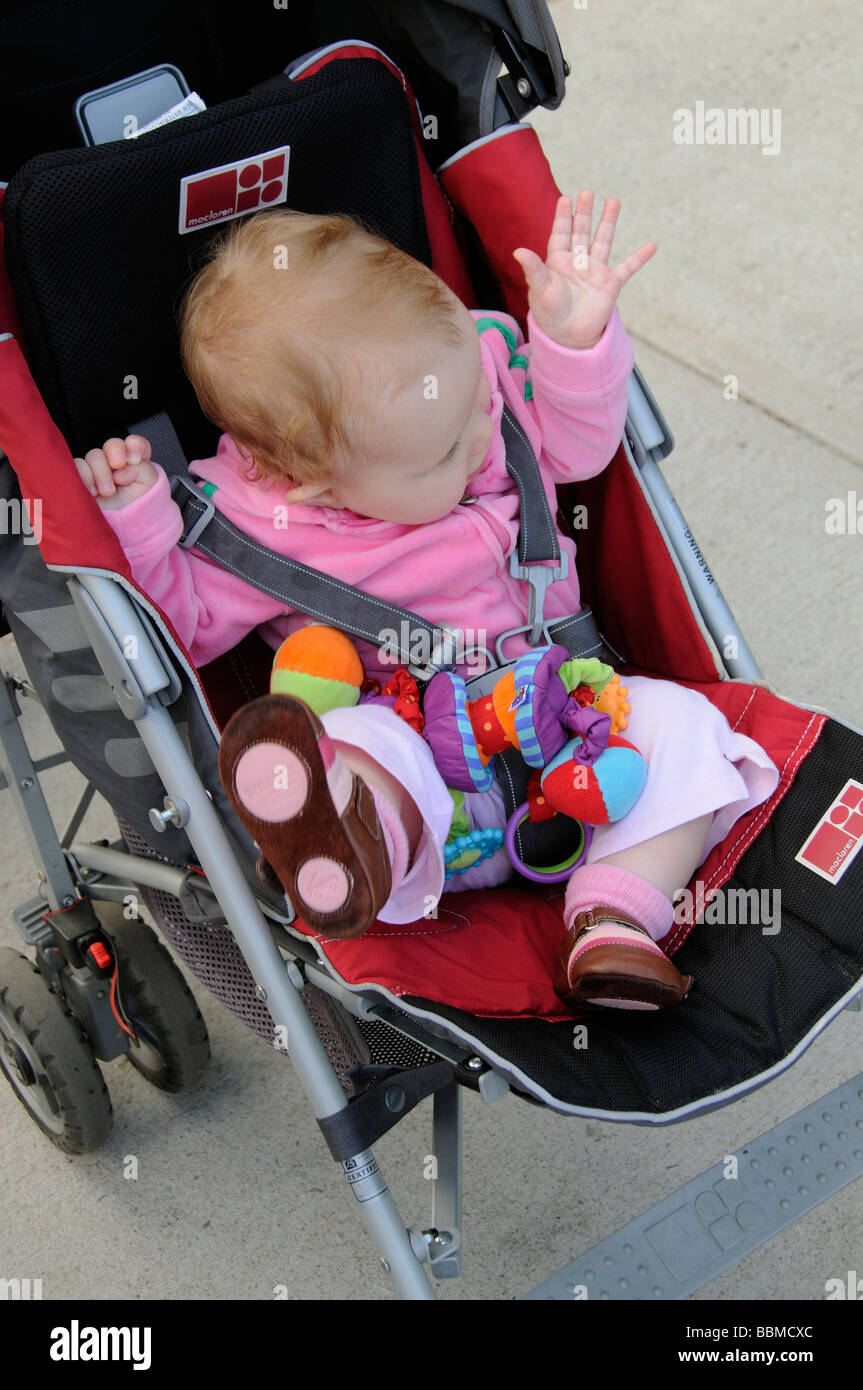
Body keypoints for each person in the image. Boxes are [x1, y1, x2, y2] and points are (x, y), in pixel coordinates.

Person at [74, 194, 779, 1012]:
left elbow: (579, 444)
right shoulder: (254, 525)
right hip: (426, 782)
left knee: (691, 732)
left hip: (579, 729)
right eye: (444, 452)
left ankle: (616, 919)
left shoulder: (470, 396)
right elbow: (183, 629)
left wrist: (572, 342)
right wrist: (140, 523)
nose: (482, 438)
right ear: (311, 478)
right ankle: (338, 832)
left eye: (475, 409)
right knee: (345, 736)